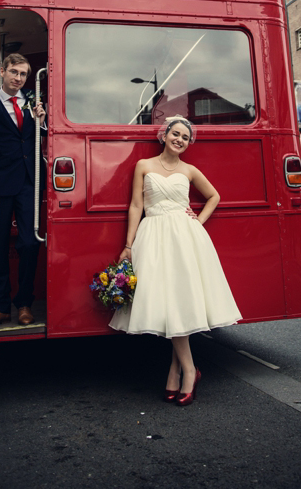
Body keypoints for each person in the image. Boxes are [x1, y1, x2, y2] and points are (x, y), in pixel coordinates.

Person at [110, 115, 241, 406]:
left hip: (185, 237)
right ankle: (185, 370)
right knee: (168, 302)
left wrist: (199, 220)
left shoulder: (190, 170)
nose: (180, 139)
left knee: (178, 303)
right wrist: (128, 245)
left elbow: (214, 197)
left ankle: (183, 371)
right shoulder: (143, 166)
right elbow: (136, 205)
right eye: (176, 134)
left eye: (185, 137)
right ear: (165, 135)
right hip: (154, 235)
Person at [0, 53, 46, 329]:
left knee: (29, 243)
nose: (18, 78)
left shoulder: (32, 103)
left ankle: (24, 303)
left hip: (29, 183)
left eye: (23, 74)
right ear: (2, 71)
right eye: (14, 72)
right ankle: (0, 307)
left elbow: (45, 136)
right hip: (0, 186)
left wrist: (42, 121)